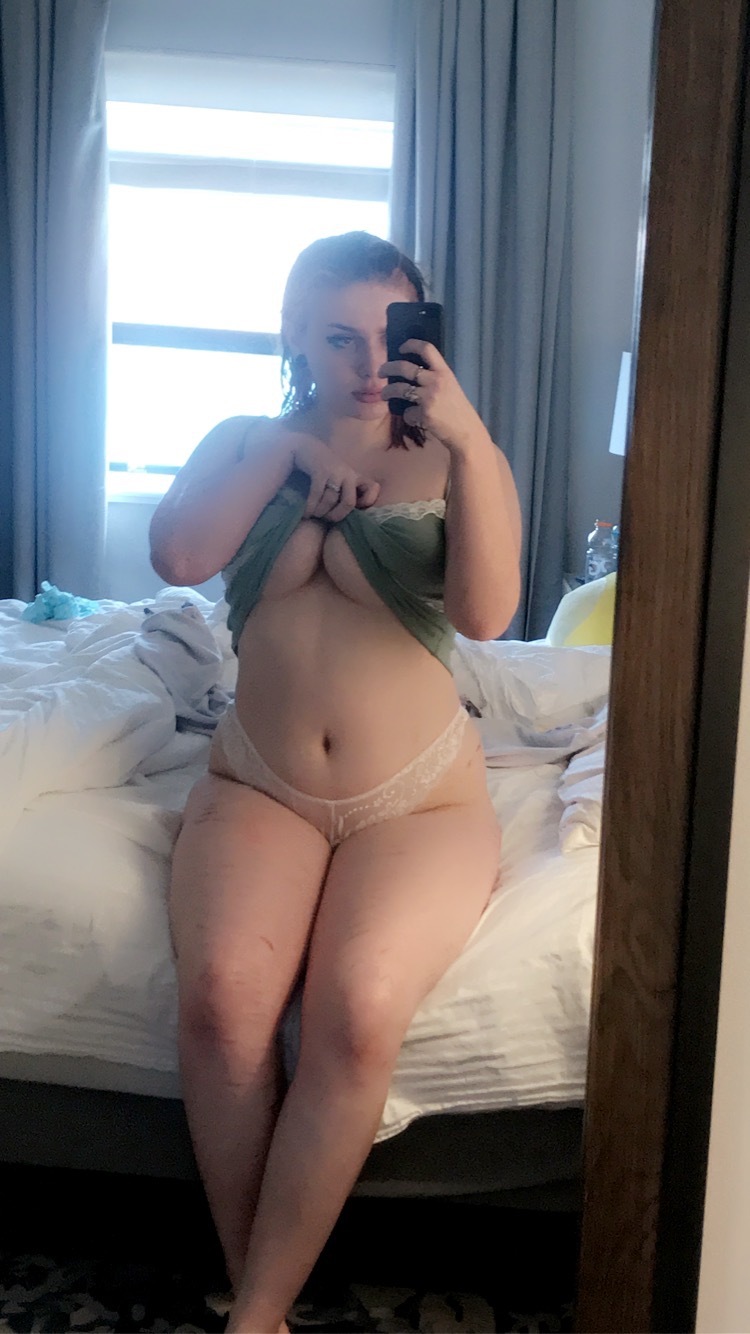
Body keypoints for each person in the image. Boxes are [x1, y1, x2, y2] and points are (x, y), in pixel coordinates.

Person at [149, 230, 522, 1333]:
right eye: (337, 337)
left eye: (387, 335)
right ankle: (260, 1302)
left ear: (421, 335)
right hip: (260, 782)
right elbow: (179, 557)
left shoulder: (457, 454)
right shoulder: (244, 440)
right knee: (224, 1001)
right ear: (293, 338)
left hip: (419, 798)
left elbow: (487, 615)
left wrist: (468, 438)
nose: (366, 363)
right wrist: (286, 456)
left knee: (356, 1012)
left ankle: (250, 1312)